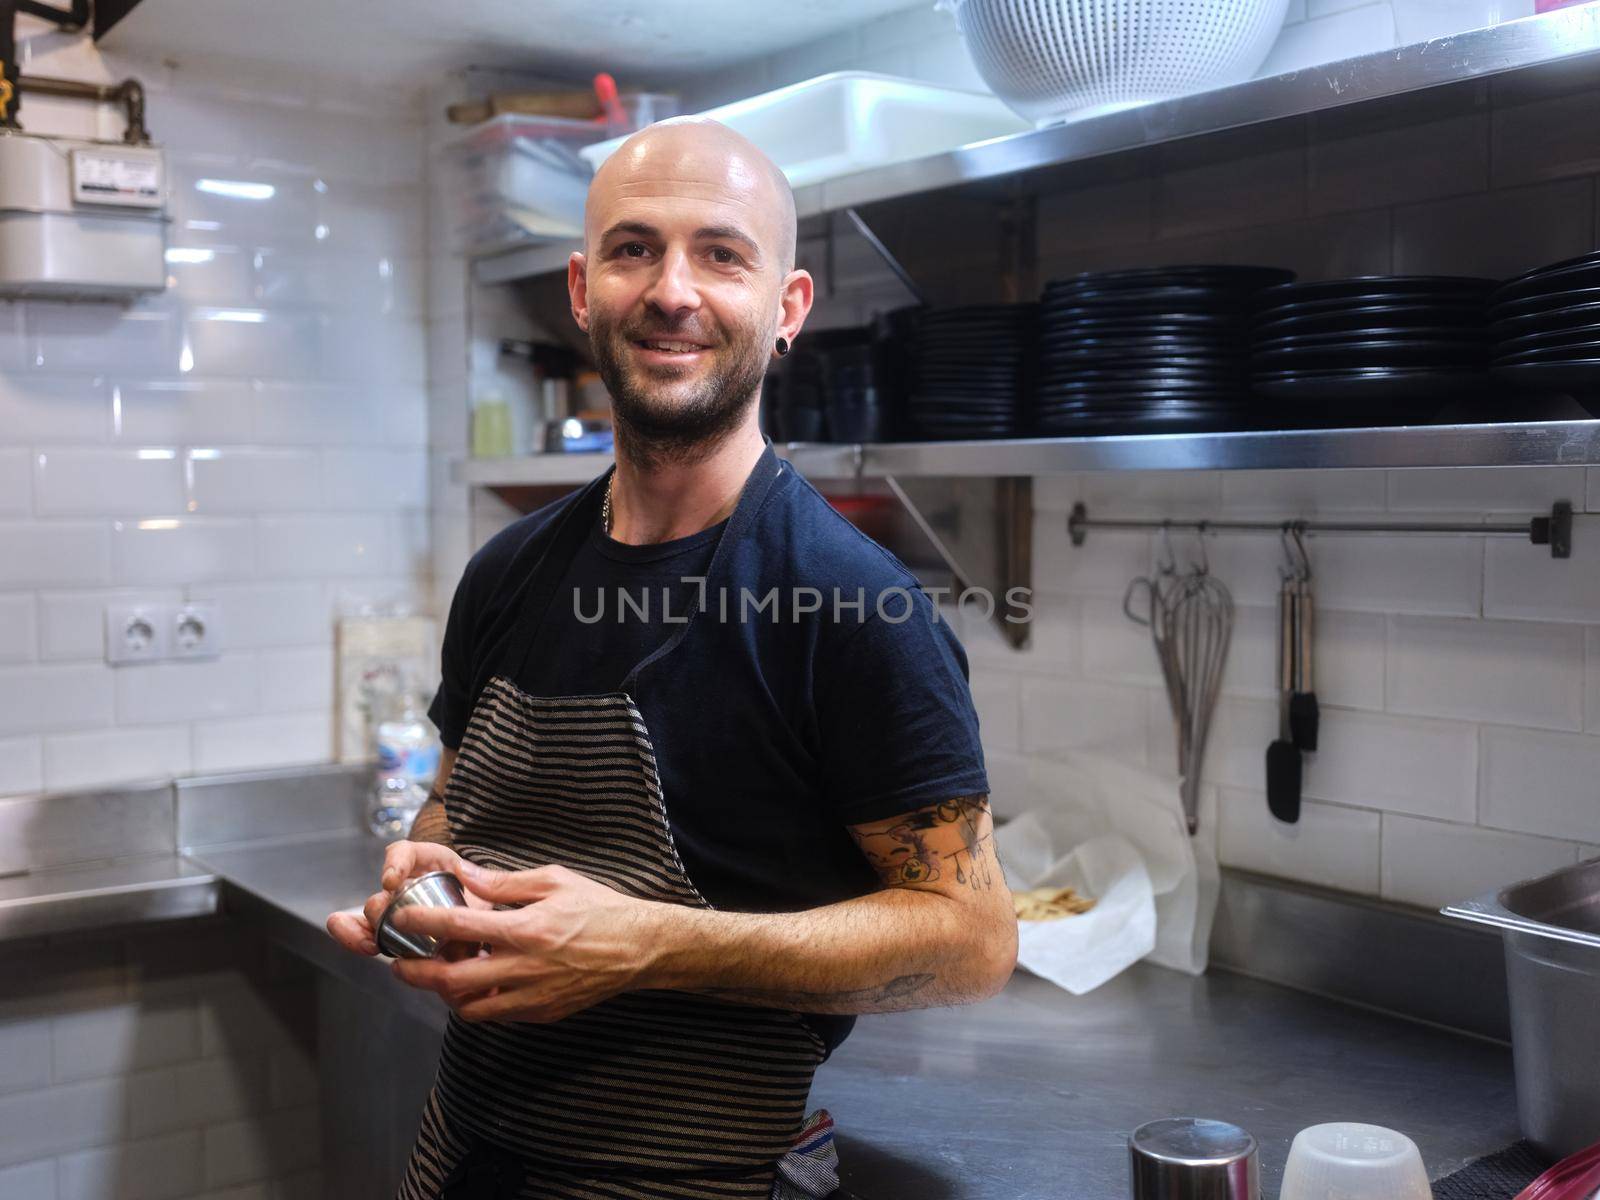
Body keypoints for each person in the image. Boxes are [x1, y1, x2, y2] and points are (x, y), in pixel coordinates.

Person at [328, 118, 1017, 1200]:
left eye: (721, 253)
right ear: (581, 287)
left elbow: (971, 940)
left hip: (701, 1176)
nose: (671, 290)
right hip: (463, 1154)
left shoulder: (852, 603)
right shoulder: (505, 572)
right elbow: (452, 807)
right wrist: (432, 880)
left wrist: (650, 944)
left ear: (786, 308)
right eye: (634, 248)